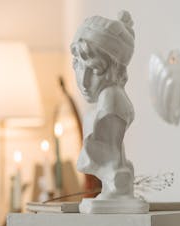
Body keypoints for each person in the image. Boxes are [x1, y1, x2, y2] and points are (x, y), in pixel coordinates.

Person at [70, 10, 138, 202]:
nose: (83, 80)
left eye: (95, 69)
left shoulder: (110, 107)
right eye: (79, 65)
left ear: (116, 70)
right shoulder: (100, 110)